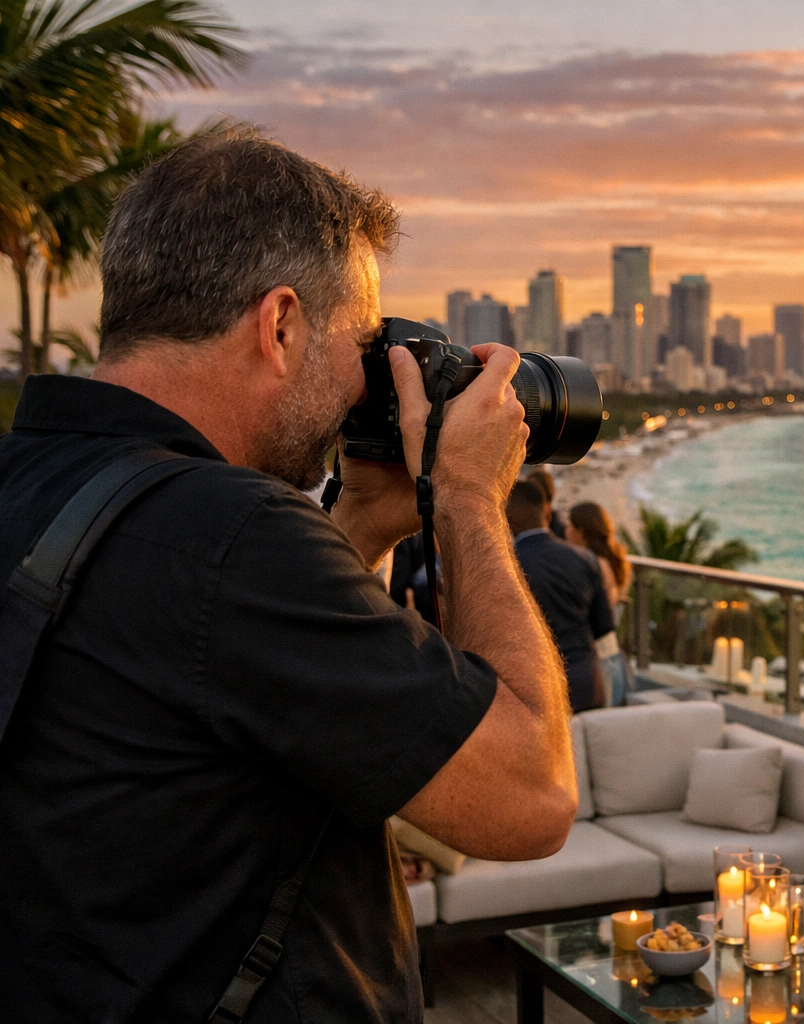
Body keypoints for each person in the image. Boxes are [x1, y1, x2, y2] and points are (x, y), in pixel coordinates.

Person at [0, 135, 578, 1022]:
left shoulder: (35, 483)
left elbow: (228, 684)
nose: (363, 384)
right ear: (279, 326)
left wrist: (364, 524)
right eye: (363, 344)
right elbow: (531, 799)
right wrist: (468, 498)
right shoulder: (233, 536)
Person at [508, 480, 615, 712]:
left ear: (507, 521)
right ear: (547, 513)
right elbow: (604, 626)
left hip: (535, 688)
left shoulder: (506, 566)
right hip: (586, 683)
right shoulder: (585, 559)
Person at [568, 501, 634, 706]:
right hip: (610, 652)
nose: (566, 531)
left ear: (580, 531)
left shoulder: (593, 565)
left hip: (598, 656)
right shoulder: (612, 562)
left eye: (570, 526)